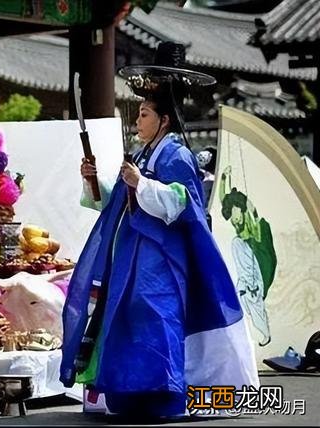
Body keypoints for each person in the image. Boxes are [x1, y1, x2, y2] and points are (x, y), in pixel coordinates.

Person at [60, 42, 259, 419]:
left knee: (157, 317)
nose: (139, 120)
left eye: (145, 114)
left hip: (161, 260)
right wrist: (96, 182)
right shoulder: (141, 155)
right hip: (132, 259)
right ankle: (130, 395)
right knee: (129, 320)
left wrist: (143, 185)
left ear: (164, 120)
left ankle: (167, 396)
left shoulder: (177, 155)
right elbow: (119, 201)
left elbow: (184, 203)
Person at [219, 165, 277, 347]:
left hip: (259, 267)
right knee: (242, 297)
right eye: (234, 219)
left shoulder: (255, 224)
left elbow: (251, 210)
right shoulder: (238, 225)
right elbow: (223, 199)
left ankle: (265, 333)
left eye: (237, 216)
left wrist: (243, 202)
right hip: (247, 275)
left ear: (242, 211)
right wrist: (223, 179)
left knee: (254, 300)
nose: (236, 221)